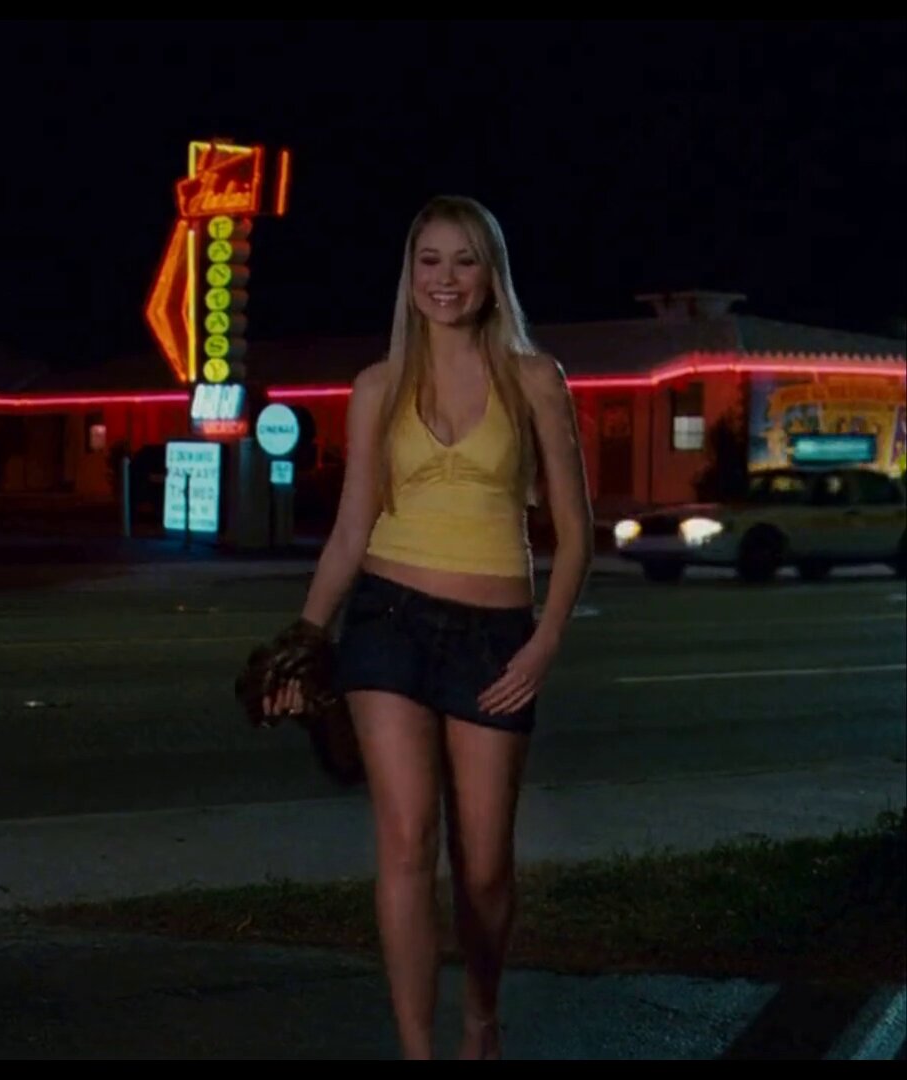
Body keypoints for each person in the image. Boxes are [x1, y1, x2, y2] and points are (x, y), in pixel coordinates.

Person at [262, 195, 593, 1059]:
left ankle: (480, 1016)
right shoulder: (377, 387)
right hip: (388, 623)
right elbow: (350, 530)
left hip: (496, 638)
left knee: (483, 868)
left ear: (491, 275)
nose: (446, 279)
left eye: (465, 260)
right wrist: (304, 638)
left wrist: (544, 644)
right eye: (430, 260)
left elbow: (577, 532)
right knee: (406, 842)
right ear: (410, 276)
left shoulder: (535, 379)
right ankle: (418, 1050)